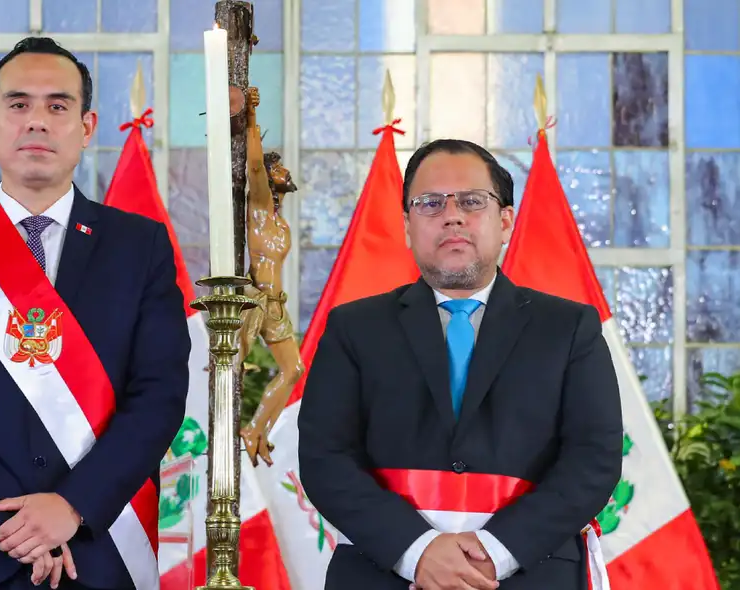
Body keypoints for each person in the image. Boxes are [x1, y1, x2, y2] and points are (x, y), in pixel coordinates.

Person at [0, 36, 190, 590]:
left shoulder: (138, 246)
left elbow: (160, 394)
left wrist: (71, 507)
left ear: (87, 126)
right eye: (19, 104)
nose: (37, 122)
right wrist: (15, 525)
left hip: (96, 547)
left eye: (58, 105)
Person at [297, 139, 623, 590]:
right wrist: (417, 552)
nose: (452, 215)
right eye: (430, 203)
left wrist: (495, 552)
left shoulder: (569, 329)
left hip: (531, 572)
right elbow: (324, 458)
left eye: (472, 201)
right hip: (383, 572)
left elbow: (594, 460)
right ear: (408, 227)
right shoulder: (353, 329)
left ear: (505, 221)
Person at [236, 86, 304, 467]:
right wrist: (250, 117)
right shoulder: (260, 210)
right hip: (255, 300)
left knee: (294, 368)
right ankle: (231, 423)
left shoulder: (279, 221)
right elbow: (256, 166)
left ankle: (256, 427)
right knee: (232, 370)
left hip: (276, 304)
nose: (284, 171)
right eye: (279, 167)